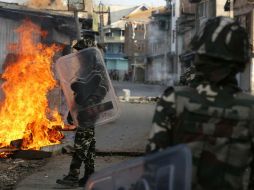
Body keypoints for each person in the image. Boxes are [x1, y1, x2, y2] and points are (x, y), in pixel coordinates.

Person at [146, 16, 254, 190]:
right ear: (240, 63)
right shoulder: (250, 109)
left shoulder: (174, 100)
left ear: (199, 57)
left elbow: (154, 166)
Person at [56, 36, 109, 188]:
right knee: (89, 143)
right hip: (84, 110)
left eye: (81, 51)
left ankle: (73, 176)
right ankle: (89, 176)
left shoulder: (96, 67)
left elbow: (103, 88)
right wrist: (72, 111)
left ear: (89, 52)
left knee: (81, 143)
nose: (78, 55)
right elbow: (79, 92)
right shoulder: (85, 67)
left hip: (90, 110)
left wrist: (90, 104)